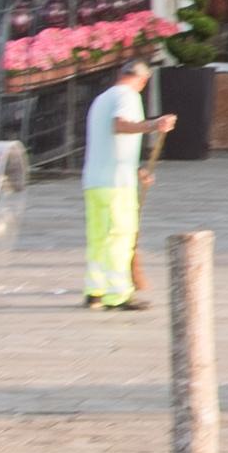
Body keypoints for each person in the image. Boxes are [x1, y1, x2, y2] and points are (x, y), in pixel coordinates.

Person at [81, 54, 158, 309]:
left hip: (95, 180)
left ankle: (95, 290)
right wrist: (153, 125)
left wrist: (136, 169)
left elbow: (110, 143)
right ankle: (118, 293)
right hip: (116, 184)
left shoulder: (102, 98)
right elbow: (120, 125)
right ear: (142, 79)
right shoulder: (128, 96)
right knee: (120, 236)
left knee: (98, 238)